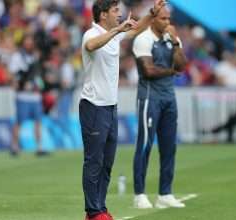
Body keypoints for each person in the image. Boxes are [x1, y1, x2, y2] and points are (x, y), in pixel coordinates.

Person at [79, 1, 166, 220]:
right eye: (115, 11)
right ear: (103, 15)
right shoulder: (91, 33)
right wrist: (118, 29)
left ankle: (99, 207)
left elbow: (136, 28)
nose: (119, 15)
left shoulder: (113, 35)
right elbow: (91, 47)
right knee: (94, 161)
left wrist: (152, 14)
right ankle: (93, 211)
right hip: (93, 106)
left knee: (107, 163)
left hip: (110, 106)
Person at [132, 7, 187, 209]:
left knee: (169, 147)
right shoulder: (143, 40)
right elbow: (148, 70)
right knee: (145, 145)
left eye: (169, 18)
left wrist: (174, 42)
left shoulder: (172, 38)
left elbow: (182, 66)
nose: (167, 22)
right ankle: (139, 194)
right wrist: (171, 71)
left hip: (169, 98)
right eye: (163, 18)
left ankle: (165, 193)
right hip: (150, 97)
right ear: (153, 19)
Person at [9, 34, 48, 156]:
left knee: (38, 121)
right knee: (19, 121)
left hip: (35, 95)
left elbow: (38, 75)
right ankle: (14, 146)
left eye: (31, 42)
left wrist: (40, 84)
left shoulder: (35, 57)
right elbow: (14, 73)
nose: (29, 44)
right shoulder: (18, 56)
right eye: (27, 41)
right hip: (23, 95)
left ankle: (39, 147)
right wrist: (18, 83)